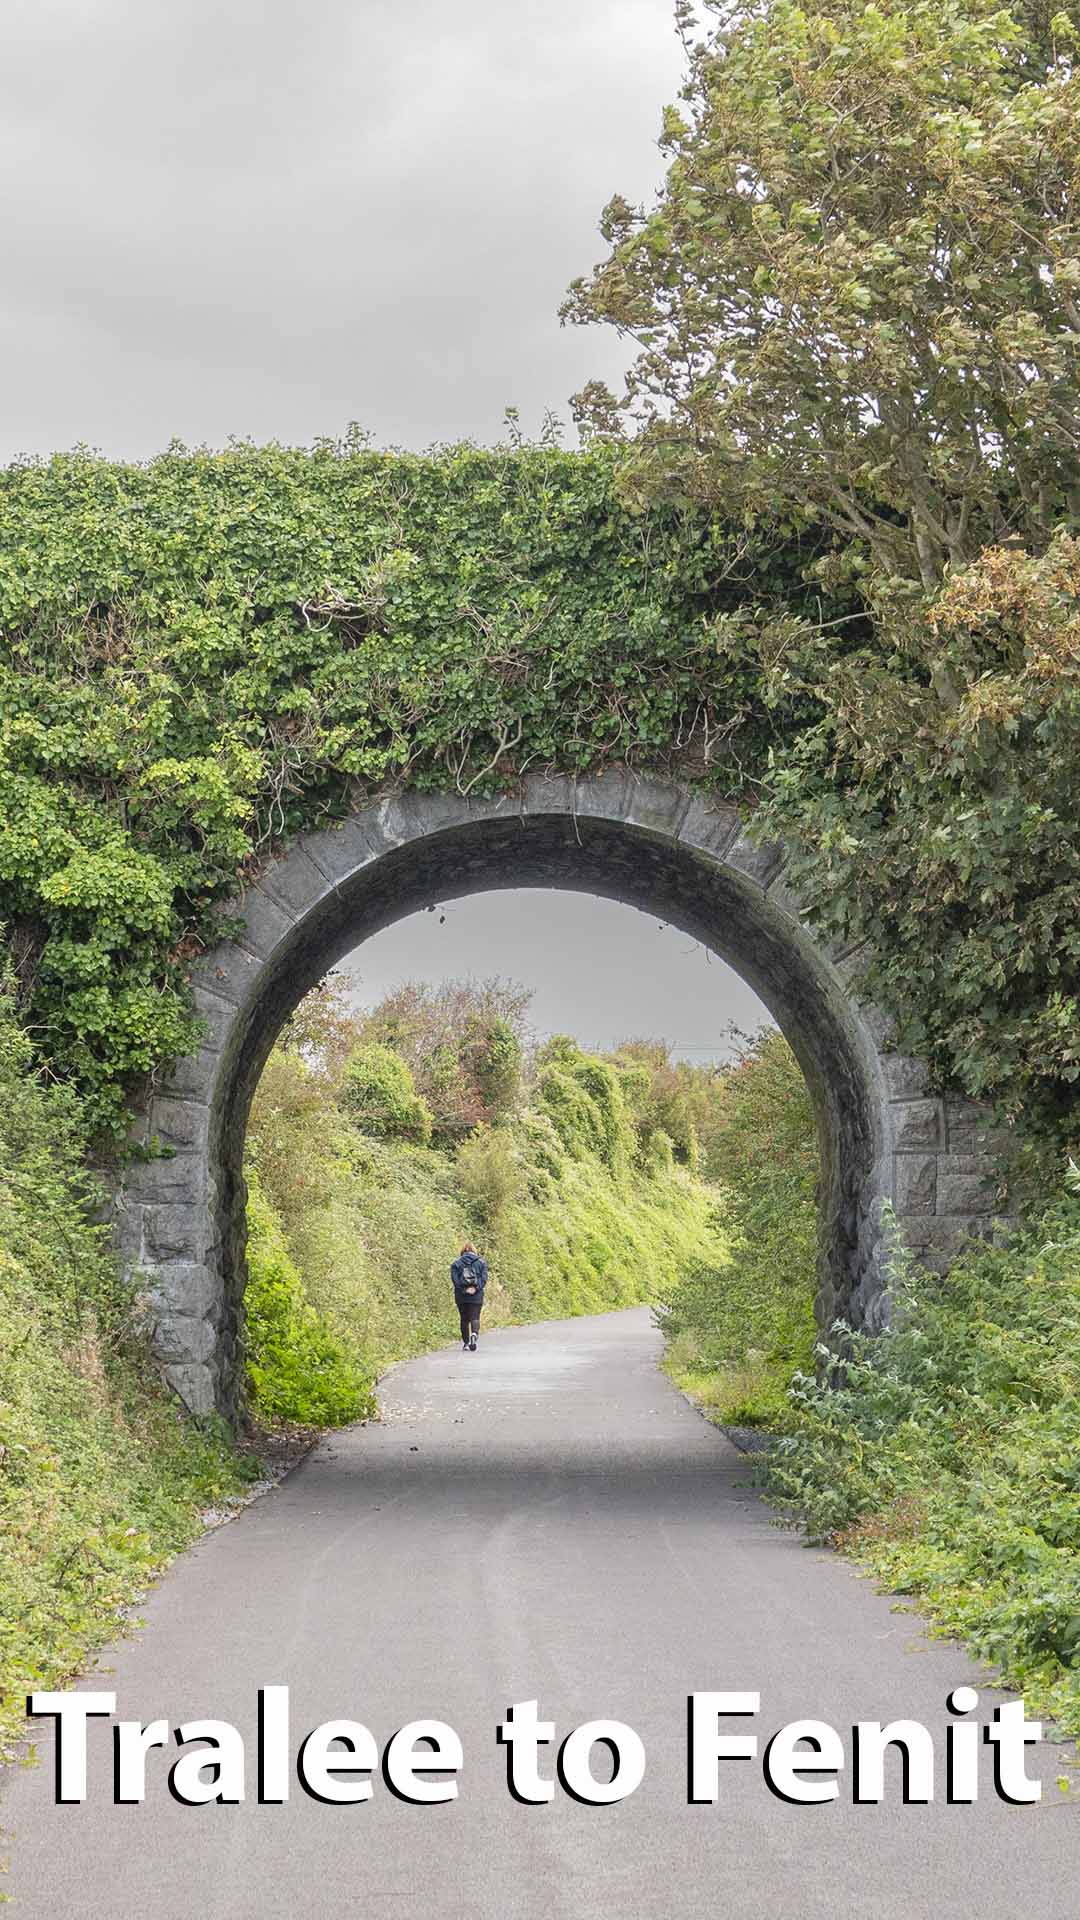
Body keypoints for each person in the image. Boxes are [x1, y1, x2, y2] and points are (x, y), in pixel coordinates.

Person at [451, 1242, 487, 1352]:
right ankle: (474, 1335)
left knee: (464, 1319)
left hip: (461, 1296)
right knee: (475, 1317)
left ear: (462, 1251)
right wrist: (475, 1288)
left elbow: (455, 1280)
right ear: (474, 1250)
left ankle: (466, 1343)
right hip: (476, 1295)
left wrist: (464, 1290)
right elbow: (484, 1279)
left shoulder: (456, 1263)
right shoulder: (481, 1262)